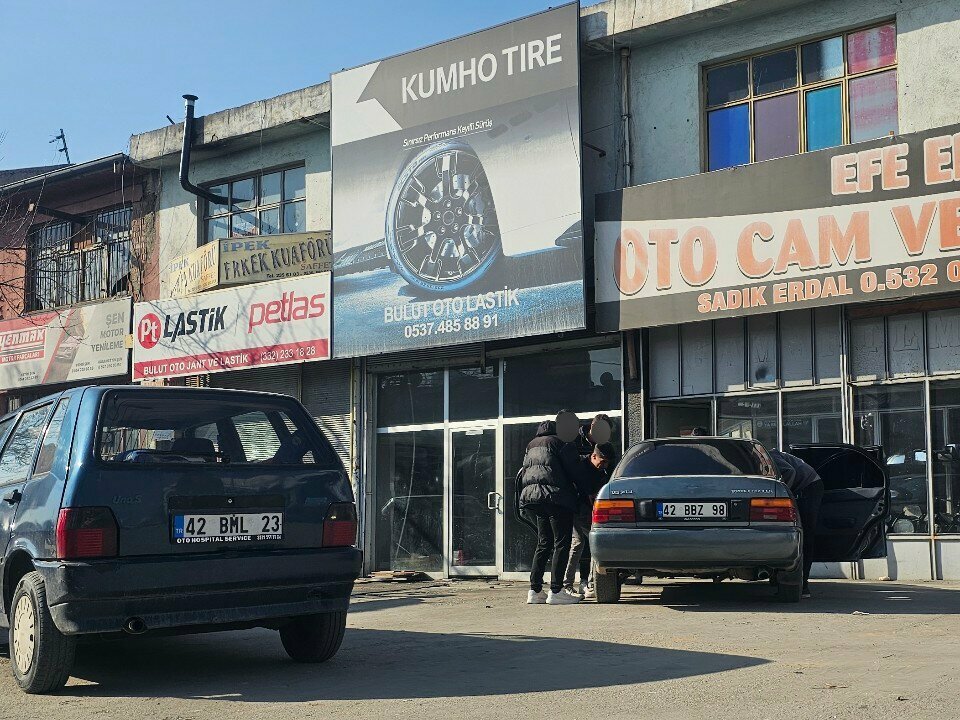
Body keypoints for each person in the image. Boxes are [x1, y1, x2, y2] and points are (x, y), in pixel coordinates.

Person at [518, 410, 584, 605]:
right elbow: (576, 470)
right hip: (556, 498)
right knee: (562, 543)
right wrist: (587, 490)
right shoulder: (560, 442)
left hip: (533, 498)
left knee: (543, 543)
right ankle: (556, 591)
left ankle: (535, 590)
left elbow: (525, 471)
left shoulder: (531, 445)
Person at [768, 448, 825, 599]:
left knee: (804, 534)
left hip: (809, 486)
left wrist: (784, 497)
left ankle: (803, 585)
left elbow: (789, 472)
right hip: (804, 484)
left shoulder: (769, 455)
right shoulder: (761, 455)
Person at [569, 442, 615, 599]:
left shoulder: (603, 470)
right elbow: (587, 493)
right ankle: (570, 584)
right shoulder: (580, 467)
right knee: (579, 543)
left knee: (587, 545)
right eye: (602, 461)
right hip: (577, 509)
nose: (604, 465)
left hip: (589, 512)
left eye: (607, 462)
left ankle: (587, 583)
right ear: (593, 456)